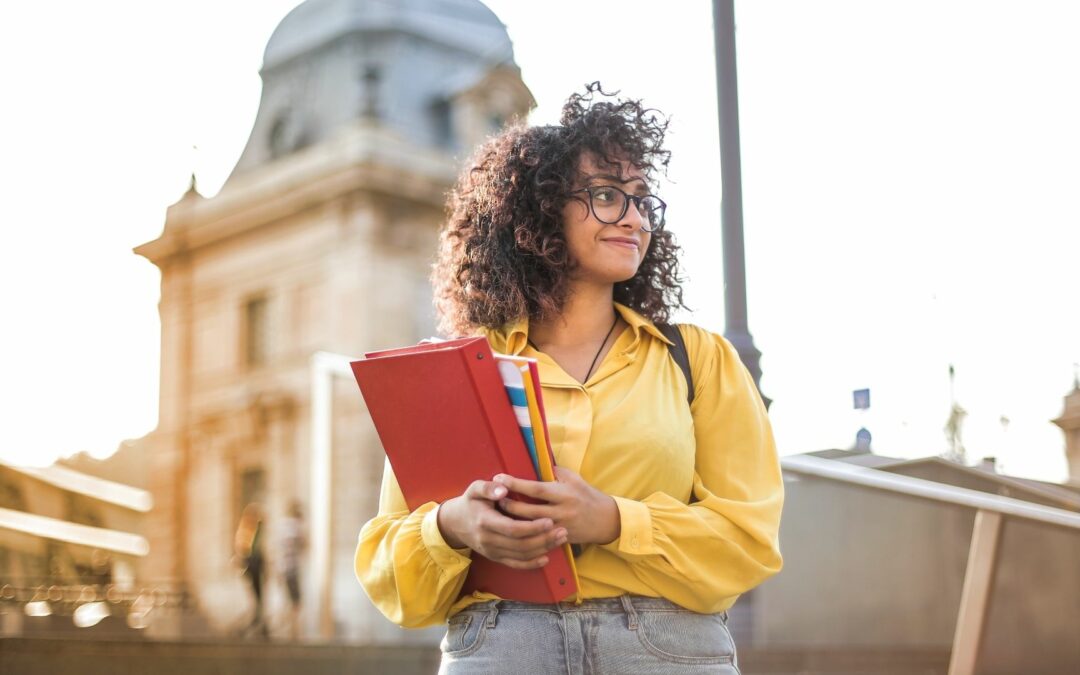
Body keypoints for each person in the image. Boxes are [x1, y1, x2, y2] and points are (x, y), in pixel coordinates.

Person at [355, 83, 783, 674]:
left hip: (667, 649)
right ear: (540, 211)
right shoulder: (455, 371)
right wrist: (454, 526)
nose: (633, 218)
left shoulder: (698, 360)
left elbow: (750, 540)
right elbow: (389, 569)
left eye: (641, 199)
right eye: (606, 195)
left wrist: (611, 519)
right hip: (501, 646)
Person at [234, 502, 267, 637]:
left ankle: (259, 622)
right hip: (252, 564)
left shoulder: (253, 530)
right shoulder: (248, 531)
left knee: (258, 596)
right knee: (256, 596)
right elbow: (243, 550)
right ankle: (257, 622)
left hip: (255, 564)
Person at [278, 500, 306, 640]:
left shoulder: (282, 526)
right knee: (296, 602)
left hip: (283, 567)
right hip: (292, 568)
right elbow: (303, 544)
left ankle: (290, 629)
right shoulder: (294, 527)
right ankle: (293, 631)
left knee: (290, 600)